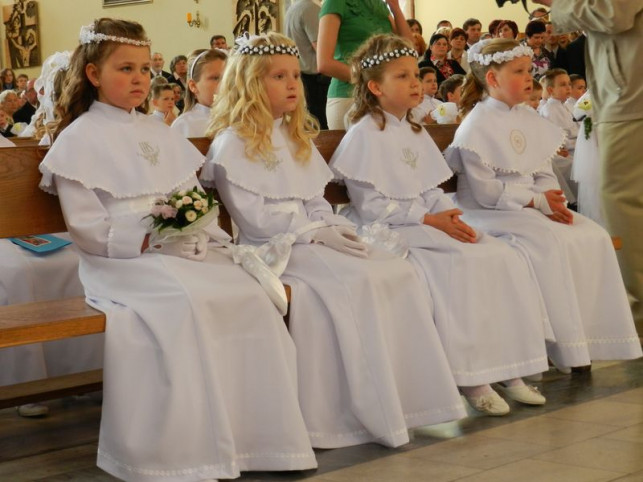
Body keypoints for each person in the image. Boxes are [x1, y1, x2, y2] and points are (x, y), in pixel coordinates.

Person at [39, 18, 317, 481]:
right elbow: (88, 229)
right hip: (121, 261)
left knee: (249, 293)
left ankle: (255, 439)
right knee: (186, 300)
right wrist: (151, 237)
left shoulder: (160, 132)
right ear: (92, 74)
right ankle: (191, 448)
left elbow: (193, 200)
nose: (139, 79)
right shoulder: (77, 139)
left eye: (144, 69)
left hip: (180, 249)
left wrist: (194, 230)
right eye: (126, 69)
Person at [202, 32, 466, 446]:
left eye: (295, 75)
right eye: (278, 76)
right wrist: (316, 232)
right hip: (273, 250)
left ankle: (406, 400)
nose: (293, 84)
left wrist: (329, 226)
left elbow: (316, 199)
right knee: (358, 280)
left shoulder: (294, 136)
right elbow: (256, 220)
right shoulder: (232, 144)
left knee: (393, 271)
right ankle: (351, 411)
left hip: (313, 240)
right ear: (249, 83)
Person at [330, 34, 550, 416]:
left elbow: (430, 188)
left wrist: (449, 217)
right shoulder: (363, 136)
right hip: (391, 229)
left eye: (416, 75)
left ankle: (506, 366)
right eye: (402, 76)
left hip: (427, 223)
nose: (415, 83)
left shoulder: (413, 130)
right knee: (455, 264)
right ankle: (471, 377)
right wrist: (430, 219)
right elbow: (371, 207)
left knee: (499, 255)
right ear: (376, 87)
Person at [444, 38, 642, 371]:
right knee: (548, 243)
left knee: (592, 235)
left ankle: (591, 338)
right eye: (519, 72)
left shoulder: (527, 117)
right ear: (492, 79)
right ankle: (564, 346)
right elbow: (485, 192)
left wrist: (552, 201)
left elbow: (543, 171)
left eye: (528, 70)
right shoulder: (476, 126)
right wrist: (536, 201)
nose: (529, 78)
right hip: (492, 212)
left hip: (531, 208)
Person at [317, 0, 413, 129]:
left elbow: (409, 49)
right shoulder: (335, 2)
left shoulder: (380, 5)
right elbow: (324, 63)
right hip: (348, 95)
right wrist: (370, 81)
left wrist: (395, 8)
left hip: (380, 96)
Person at [285, 0, 330, 129]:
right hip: (316, 80)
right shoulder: (311, 9)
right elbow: (322, 49)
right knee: (321, 126)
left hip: (303, 74)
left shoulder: (293, 8)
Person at [171, 48, 226, 137]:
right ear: (193, 86)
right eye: (215, 78)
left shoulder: (238, 120)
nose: (224, 84)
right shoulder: (184, 125)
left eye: (227, 78)